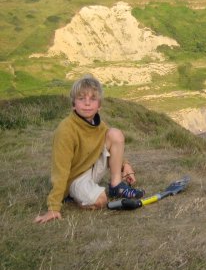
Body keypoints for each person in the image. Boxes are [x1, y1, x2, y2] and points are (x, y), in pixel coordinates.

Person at [34, 75, 144, 223]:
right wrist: (53, 207)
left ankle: (116, 185)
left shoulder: (98, 123)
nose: (87, 103)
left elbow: (112, 144)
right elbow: (60, 171)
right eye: (81, 98)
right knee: (101, 200)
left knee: (115, 134)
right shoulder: (66, 130)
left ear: (99, 105)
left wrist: (126, 164)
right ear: (73, 104)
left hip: (91, 167)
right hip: (74, 177)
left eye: (92, 99)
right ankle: (73, 196)